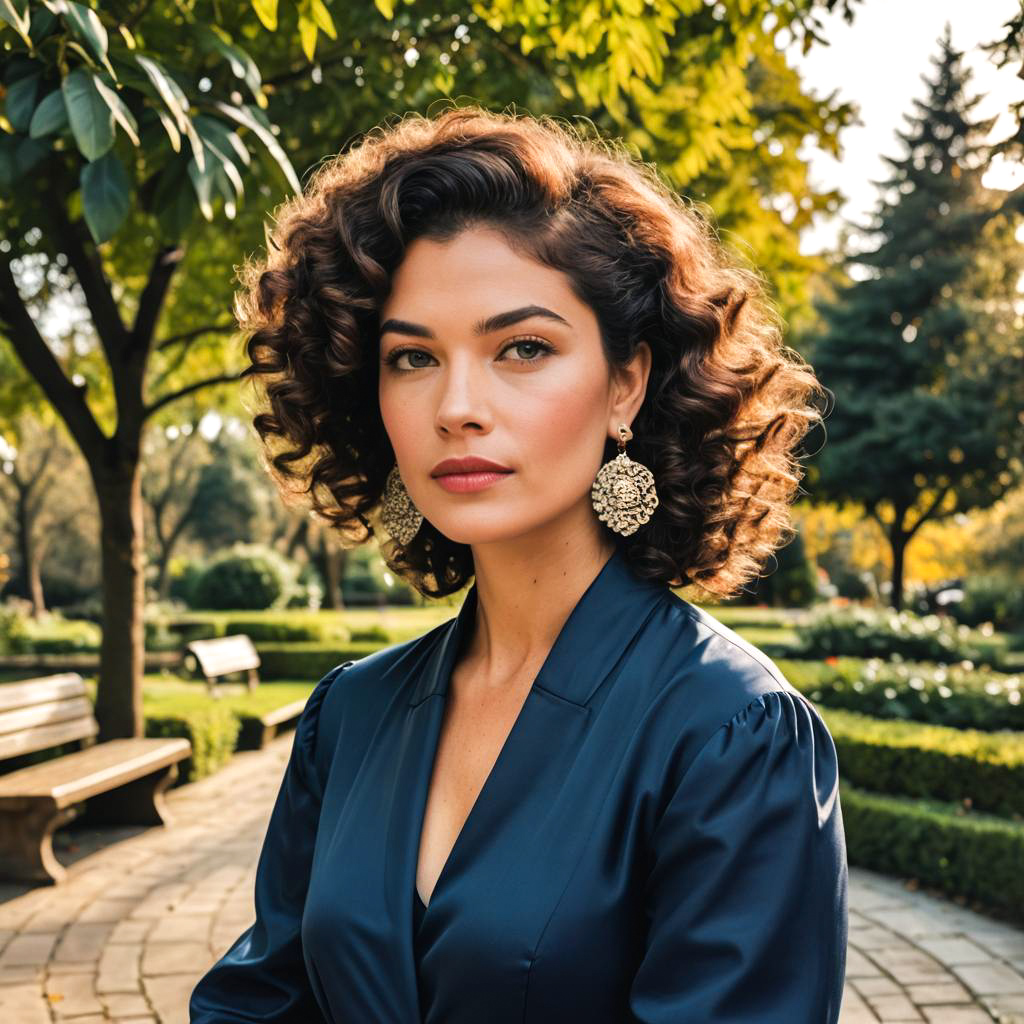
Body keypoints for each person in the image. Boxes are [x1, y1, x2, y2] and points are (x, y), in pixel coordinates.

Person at [189, 104, 847, 1023]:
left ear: (627, 383)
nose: (457, 405)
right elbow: (258, 1003)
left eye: (522, 348)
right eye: (412, 357)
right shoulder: (351, 715)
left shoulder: (732, 735)